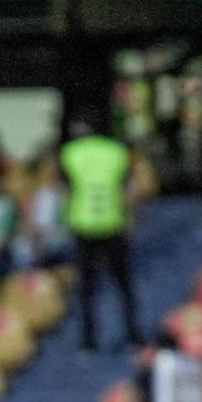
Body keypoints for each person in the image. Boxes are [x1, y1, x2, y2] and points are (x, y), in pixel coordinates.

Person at [59, 112, 143, 352]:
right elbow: (130, 188)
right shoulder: (117, 151)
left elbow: (65, 190)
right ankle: (133, 337)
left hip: (83, 223)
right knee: (123, 284)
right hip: (112, 222)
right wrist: (131, 219)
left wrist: (67, 218)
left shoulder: (70, 153)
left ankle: (88, 342)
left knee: (86, 287)